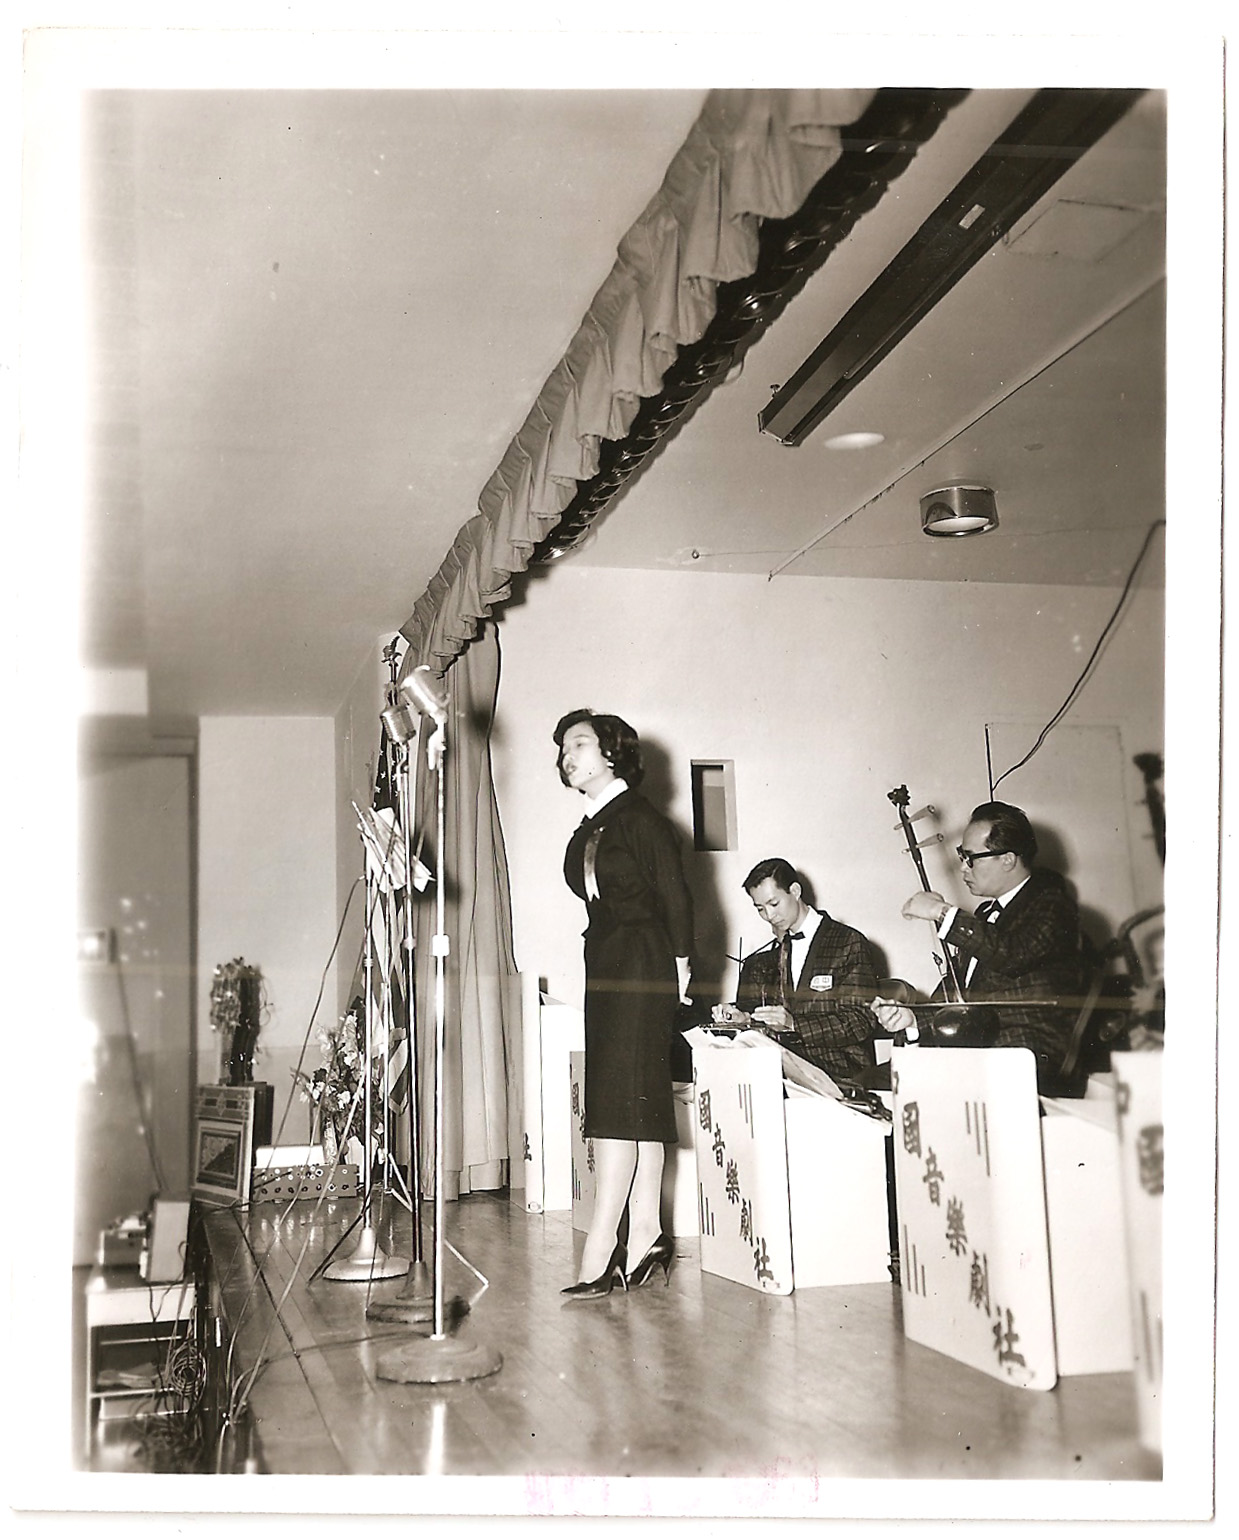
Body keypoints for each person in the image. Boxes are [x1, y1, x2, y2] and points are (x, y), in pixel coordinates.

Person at [555, 709, 694, 1298]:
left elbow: (677, 898)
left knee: (618, 1104)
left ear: (612, 752)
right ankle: (645, 1236)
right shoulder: (594, 824)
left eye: (579, 744)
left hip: (644, 965)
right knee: (636, 1105)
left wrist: (681, 971)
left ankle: (600, 1248)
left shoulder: (641, 820)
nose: (567, 756)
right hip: (608, 963)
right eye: (563, 749)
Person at [870, 800, 1084, 1089]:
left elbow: (1012, 954)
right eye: (962, 856)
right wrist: (912, 1020)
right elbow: (958, 990)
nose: (963, 868)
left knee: (896, 1087)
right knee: (870, 1082)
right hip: (977, 1050)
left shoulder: (1053, 906)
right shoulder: (986, 915)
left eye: (971, 858)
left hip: (1024, 1055)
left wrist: (941, 913)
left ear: (1007, 859)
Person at [712, 857, 879, 1085]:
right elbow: (772, 1021)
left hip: (840, 1073)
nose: (769, 916)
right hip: (786, 1071)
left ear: (795, 891)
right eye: (760, 909)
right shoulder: (774, 955)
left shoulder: (848, 942)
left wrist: (794, 1024)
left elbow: (860, 1020)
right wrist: (744, 1019)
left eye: (774, 904)